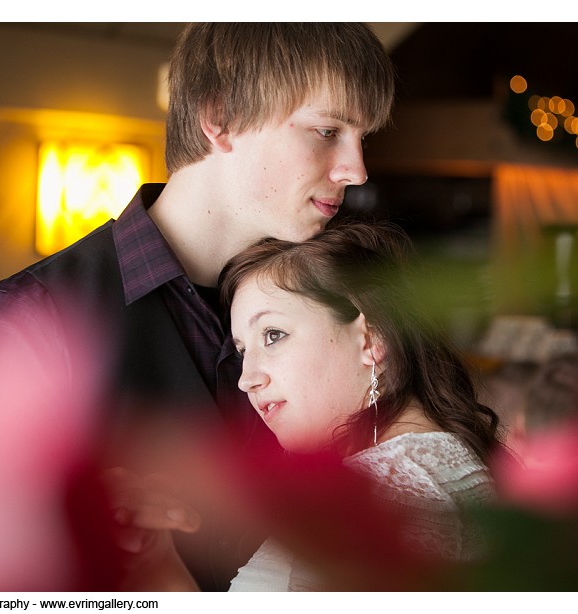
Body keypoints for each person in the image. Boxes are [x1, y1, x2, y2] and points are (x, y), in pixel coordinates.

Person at [0, 23, 396, 592]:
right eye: (327, 130)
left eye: (362, 137)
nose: (357, 169)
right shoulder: (30, 318)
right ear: (219, 117)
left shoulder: (340, 298)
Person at [131, 221, 507, 591]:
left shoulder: (387, 491)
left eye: (273, 335)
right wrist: (159, 563)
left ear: (370, 338)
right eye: (243, 350)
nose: (247, 379)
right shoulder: (425, 470)